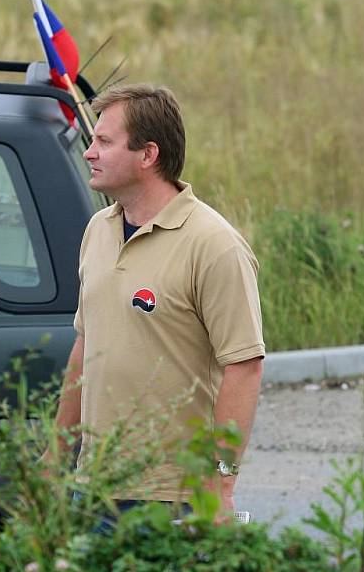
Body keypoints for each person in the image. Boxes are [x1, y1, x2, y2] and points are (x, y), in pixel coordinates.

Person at [47, 84, 264, 524]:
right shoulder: (98, 230)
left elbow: (245, 366)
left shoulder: (215, 245)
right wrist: (56, 457)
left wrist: (220, 487)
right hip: (91, 490)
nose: (89, 153)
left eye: (104, 142)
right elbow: (84, 353)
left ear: (148, 154)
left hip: (172, 500)